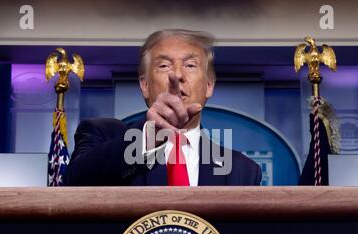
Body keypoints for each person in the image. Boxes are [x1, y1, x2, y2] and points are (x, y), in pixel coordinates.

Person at [65, 29, 262, 186]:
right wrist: (148, 140)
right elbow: (72, 185)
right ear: (145, 85)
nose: (177, 75)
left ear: (209, 85)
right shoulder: (102, 135)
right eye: (165, 66)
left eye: (190, 65)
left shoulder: (242, 170)